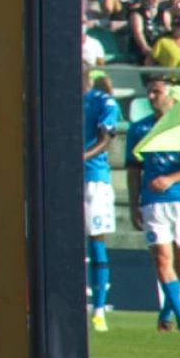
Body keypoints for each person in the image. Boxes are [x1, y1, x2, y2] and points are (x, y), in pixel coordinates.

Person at [125, 77, 180, 333]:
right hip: (153, 202)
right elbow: (133, 169)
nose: (150, 97)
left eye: (156, 92)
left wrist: (170, 178)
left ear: (170, 95)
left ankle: (166, 313)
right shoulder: (138, 129)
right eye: (148, 92)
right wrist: (132, 203)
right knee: (161, 260)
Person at [82, 71, 121, 331]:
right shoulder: (55, 99)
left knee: (96, 240)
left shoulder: (103, 101)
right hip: (61, 180)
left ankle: (99, 310)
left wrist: (79, 157)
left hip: (93, 179)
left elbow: (106, 139)